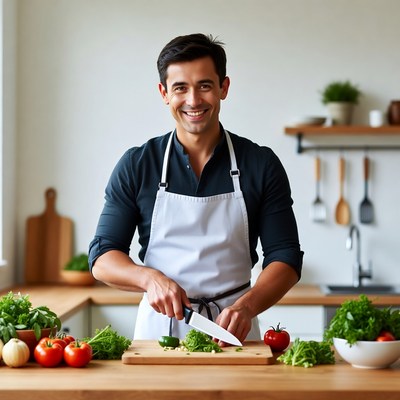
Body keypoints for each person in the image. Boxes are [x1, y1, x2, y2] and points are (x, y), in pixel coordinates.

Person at [88, 33, 303, 346]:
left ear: (223, 88)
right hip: (159, 335)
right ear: (164, 93)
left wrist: (246, 306)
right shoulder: (138, 164)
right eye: (180, 88)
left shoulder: (260, 163)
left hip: (232, 331)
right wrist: (149, 279)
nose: (193, 100)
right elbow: (102, 256)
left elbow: (285, 257)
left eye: (204, 85)